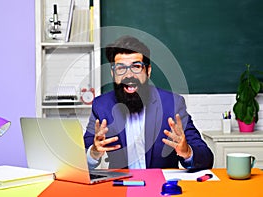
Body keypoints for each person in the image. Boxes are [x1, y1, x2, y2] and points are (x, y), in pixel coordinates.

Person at [84, 35, 214, 169]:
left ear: (148, 71)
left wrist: (187, 152)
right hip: (120, 186)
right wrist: (93, 152)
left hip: (162, 187)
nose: (128, 75)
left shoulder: (172, 104)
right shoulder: (102, 106)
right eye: (121, 68)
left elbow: (206, 158)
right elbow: (80, 160)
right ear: (113, 73)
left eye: (136, 66)